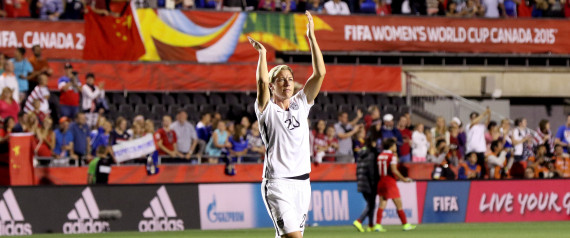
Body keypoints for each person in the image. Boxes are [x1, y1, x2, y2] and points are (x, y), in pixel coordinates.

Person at [249, 11, 325, 238]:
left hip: (303, 183)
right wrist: (262, 54)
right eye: (281, 79)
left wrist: (312, 38)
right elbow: (261, 81)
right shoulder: (266, 109)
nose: (287, 83)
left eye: (290, 79)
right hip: (277, 183)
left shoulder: (302, 103)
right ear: (273, 86)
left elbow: (320, 73)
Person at [373, 138, 415, 232]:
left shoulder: (380, 156)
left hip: (381, 181)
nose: (396, 147)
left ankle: (378, 225)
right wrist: (404, 179)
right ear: (391, 146)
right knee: (399, 204)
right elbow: (394, 170)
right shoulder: (392, 156)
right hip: (389, 182)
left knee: (382, 204)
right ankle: (405, 225)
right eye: (395, 145)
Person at [352, 138, 379, 233]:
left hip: (361, 181)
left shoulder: (361, 154)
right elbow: (371, 170)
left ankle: (371, 225)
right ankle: (359, 221)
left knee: (371, 203)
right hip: (368, 182)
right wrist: (374, 182)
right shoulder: (371, 154)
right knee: (371, 204)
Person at [466, 109, 490, 178]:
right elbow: (474, 122)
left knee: (481, 168)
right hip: (471, 151)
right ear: (470, 119)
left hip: (480, 151)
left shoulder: (481, 127)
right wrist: (484, 114)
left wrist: (489, 113)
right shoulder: (469, 126)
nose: (475, 119)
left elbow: (487, 122)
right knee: (470, 168)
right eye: (473, 117)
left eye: (476, 117)